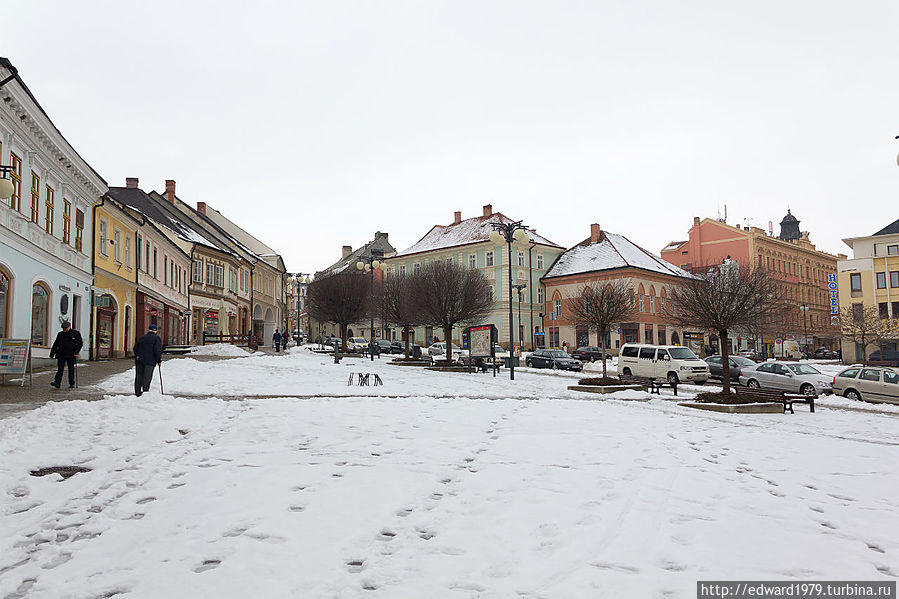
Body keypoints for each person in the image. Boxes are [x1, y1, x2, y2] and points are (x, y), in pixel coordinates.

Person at [50, 320, 83, 389]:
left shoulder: (75, 333)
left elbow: (80, 343)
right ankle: (57, 383)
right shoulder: (60, 334)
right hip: (61, 354)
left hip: (71, 354)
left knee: (71, 369)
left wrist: (76, 352)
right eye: (63, 328)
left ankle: (71, 383)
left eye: (66, 328)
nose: (64, 330)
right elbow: (56, 344)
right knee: (60, 369)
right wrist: (52, 353)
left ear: (69, 327)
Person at [133, 323, 163, 397]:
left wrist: (138, 355)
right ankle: (145, 392)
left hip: (139, 360)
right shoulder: (157, 338)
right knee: (147, 377)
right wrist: (158, 360)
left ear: (148, 330)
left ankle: (137, 392)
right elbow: (157, 350)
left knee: (139, 376)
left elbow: (135, 348)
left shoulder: (142, 337)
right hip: (150, 361)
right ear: (156, 331)